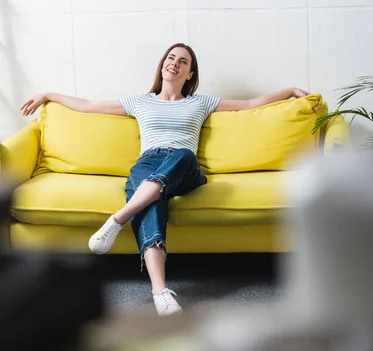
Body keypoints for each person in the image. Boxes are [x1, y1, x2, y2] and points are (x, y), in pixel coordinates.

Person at [20, 42, 309, 316]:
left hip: (185, 167)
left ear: (190, 73)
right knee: (152, 202)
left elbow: (249, 104)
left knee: (182, 154)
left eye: (183, 61)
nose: (175, 63)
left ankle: (118, 218)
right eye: (171, 58)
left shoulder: (201, 102)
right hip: (147, 165)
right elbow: (88, 106)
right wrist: (48, 95)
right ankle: (161, 293)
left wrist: (287, 91)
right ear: (162, 67)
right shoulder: (139, 101)